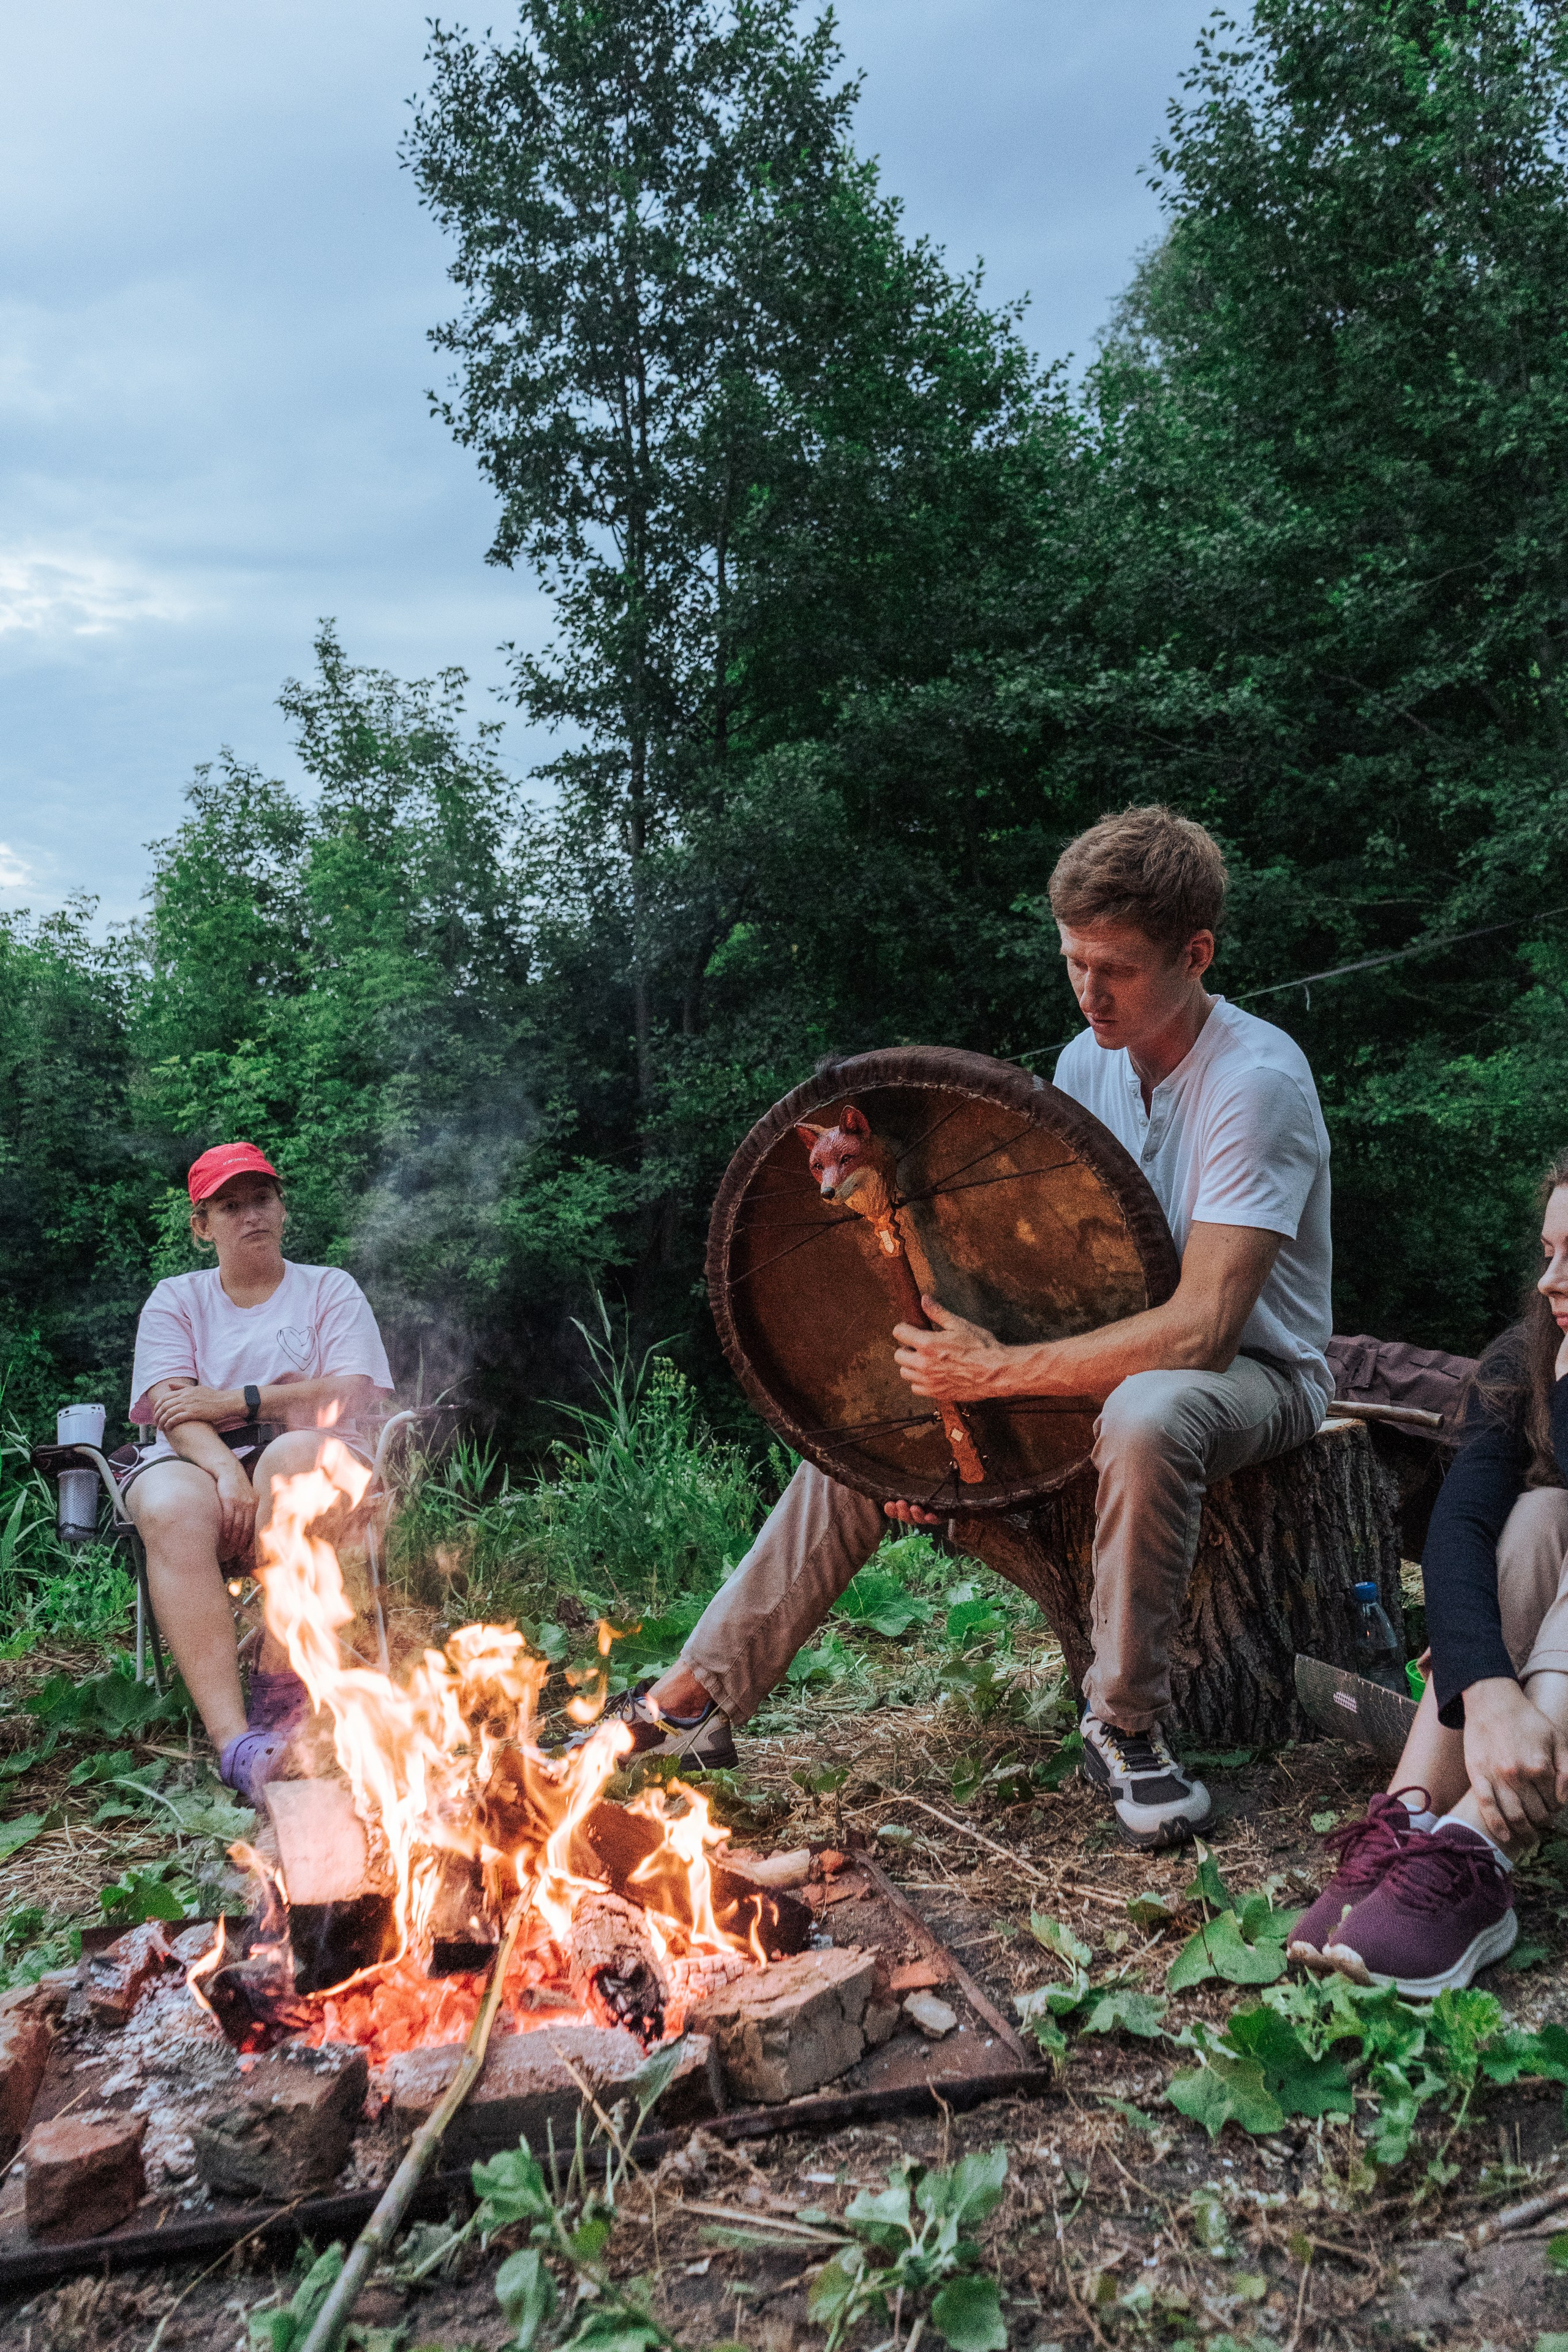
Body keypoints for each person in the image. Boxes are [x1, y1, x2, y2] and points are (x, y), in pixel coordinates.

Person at [571, 805, 1335, 1850]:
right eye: (1074, 963)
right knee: (873, 1422)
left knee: (1156, 1409)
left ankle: (1124, 1725)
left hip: (1255, 1377)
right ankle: (697, 1697)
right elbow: (1040, 1268)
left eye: (1116, 968)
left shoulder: (1257, 1083)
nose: (1089, 993)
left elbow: (1200, 1332)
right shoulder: (1085, 1063)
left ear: (1195, 953)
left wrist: (1000, 1374)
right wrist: (888, 1193)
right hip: (1096, 1364)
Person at [1288, 1151, 1568, 1996]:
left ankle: (1481, 1842)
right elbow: (1457, 1529)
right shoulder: (1526, 1358)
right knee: (1537, 1516)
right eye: (1549, 1251)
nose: (1553, 1279)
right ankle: (1414, 1817)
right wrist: (1487, 1690)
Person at [121, 1141, 394, 1807]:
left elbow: (354, 1388)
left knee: (291, 1462)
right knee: (165, 1501)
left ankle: (279, 1681)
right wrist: (222, 1468)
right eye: (230, 1205)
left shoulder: (327, 1287)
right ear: (201, 1224)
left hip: (313, 1459)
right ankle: (236, 1744)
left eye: (261, 1199)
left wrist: (238, 1400)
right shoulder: (176, 1299)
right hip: (203, 1462)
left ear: (282, 1208)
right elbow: (171, 1406)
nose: (250, 1216)